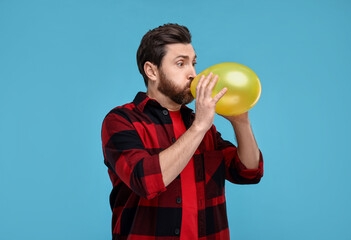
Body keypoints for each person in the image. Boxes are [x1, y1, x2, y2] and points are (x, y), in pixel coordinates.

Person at [101, 23, 264, 240]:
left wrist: (241, 122)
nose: (193, 74)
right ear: (151, 71)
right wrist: (199, 127)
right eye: (181, 64)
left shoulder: (201, 125)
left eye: (193, 63)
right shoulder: (121, 120)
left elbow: (248, 172)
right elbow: (145, 182)